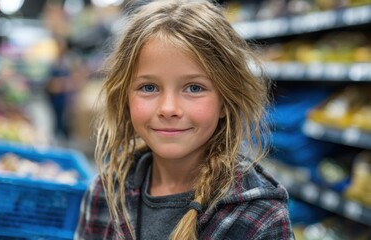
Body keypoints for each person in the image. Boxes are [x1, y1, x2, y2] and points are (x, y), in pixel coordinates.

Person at [75, 0, 294, 239]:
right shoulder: (105, 192)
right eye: (149, 87)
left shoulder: (259, 217)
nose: (168, 109)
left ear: (225, 101)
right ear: (125, 96)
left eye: (194, 88)